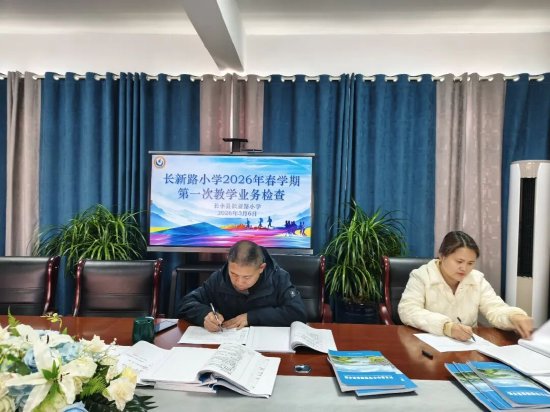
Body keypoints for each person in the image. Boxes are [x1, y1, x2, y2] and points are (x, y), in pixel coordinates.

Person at [398, 231, 533, 341]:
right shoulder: (421, 276)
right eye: (459, 261)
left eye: (470, 263)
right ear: (442, 256)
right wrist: (446, 327)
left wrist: (514, 317)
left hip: (467, 345)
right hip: (429, 344)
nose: (464, 268)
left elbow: (494, 308)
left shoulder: (477, 279)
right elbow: (408, 310)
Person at [177, 240, 307, 331]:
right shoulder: (220, 277)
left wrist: (252, 317)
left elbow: (297, 313)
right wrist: (205, 315)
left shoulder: (278, 277)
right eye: (234, 274)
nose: (239, 282)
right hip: (226, 345)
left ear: (261, 268)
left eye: (247, 277)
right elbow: (186, 303)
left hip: (265, 346)